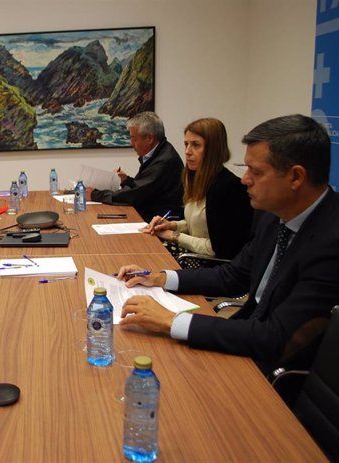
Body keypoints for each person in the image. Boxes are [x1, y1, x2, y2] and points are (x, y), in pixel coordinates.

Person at [117, 114, 339, 375]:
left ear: (296, 177)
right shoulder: (275, 215)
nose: (244, 179)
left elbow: (274, 337)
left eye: (256, 171)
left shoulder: (330, 242)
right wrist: (160, 278)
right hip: (245, 335)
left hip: (276, 371)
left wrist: (172, 321)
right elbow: (232, 276)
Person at [141, 118, 253, 260]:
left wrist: (174, 236)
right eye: (186, 144)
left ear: (213, 149)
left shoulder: (229, 188)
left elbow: (218, 249)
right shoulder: (194, 178)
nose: (187, 151)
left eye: (196, 145)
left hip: (210, 265)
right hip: (192, 254)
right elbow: (199, 226)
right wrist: (172, 225)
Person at [87, 111, 184, 221]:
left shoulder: (165, 160)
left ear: (149, 138)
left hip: (159, 222)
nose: (131, 143)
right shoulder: (158, 153)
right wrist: (127, 181)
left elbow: (135, 195)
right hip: (149, 216)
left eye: (134, 138)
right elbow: (145, 188)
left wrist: (95, 195)